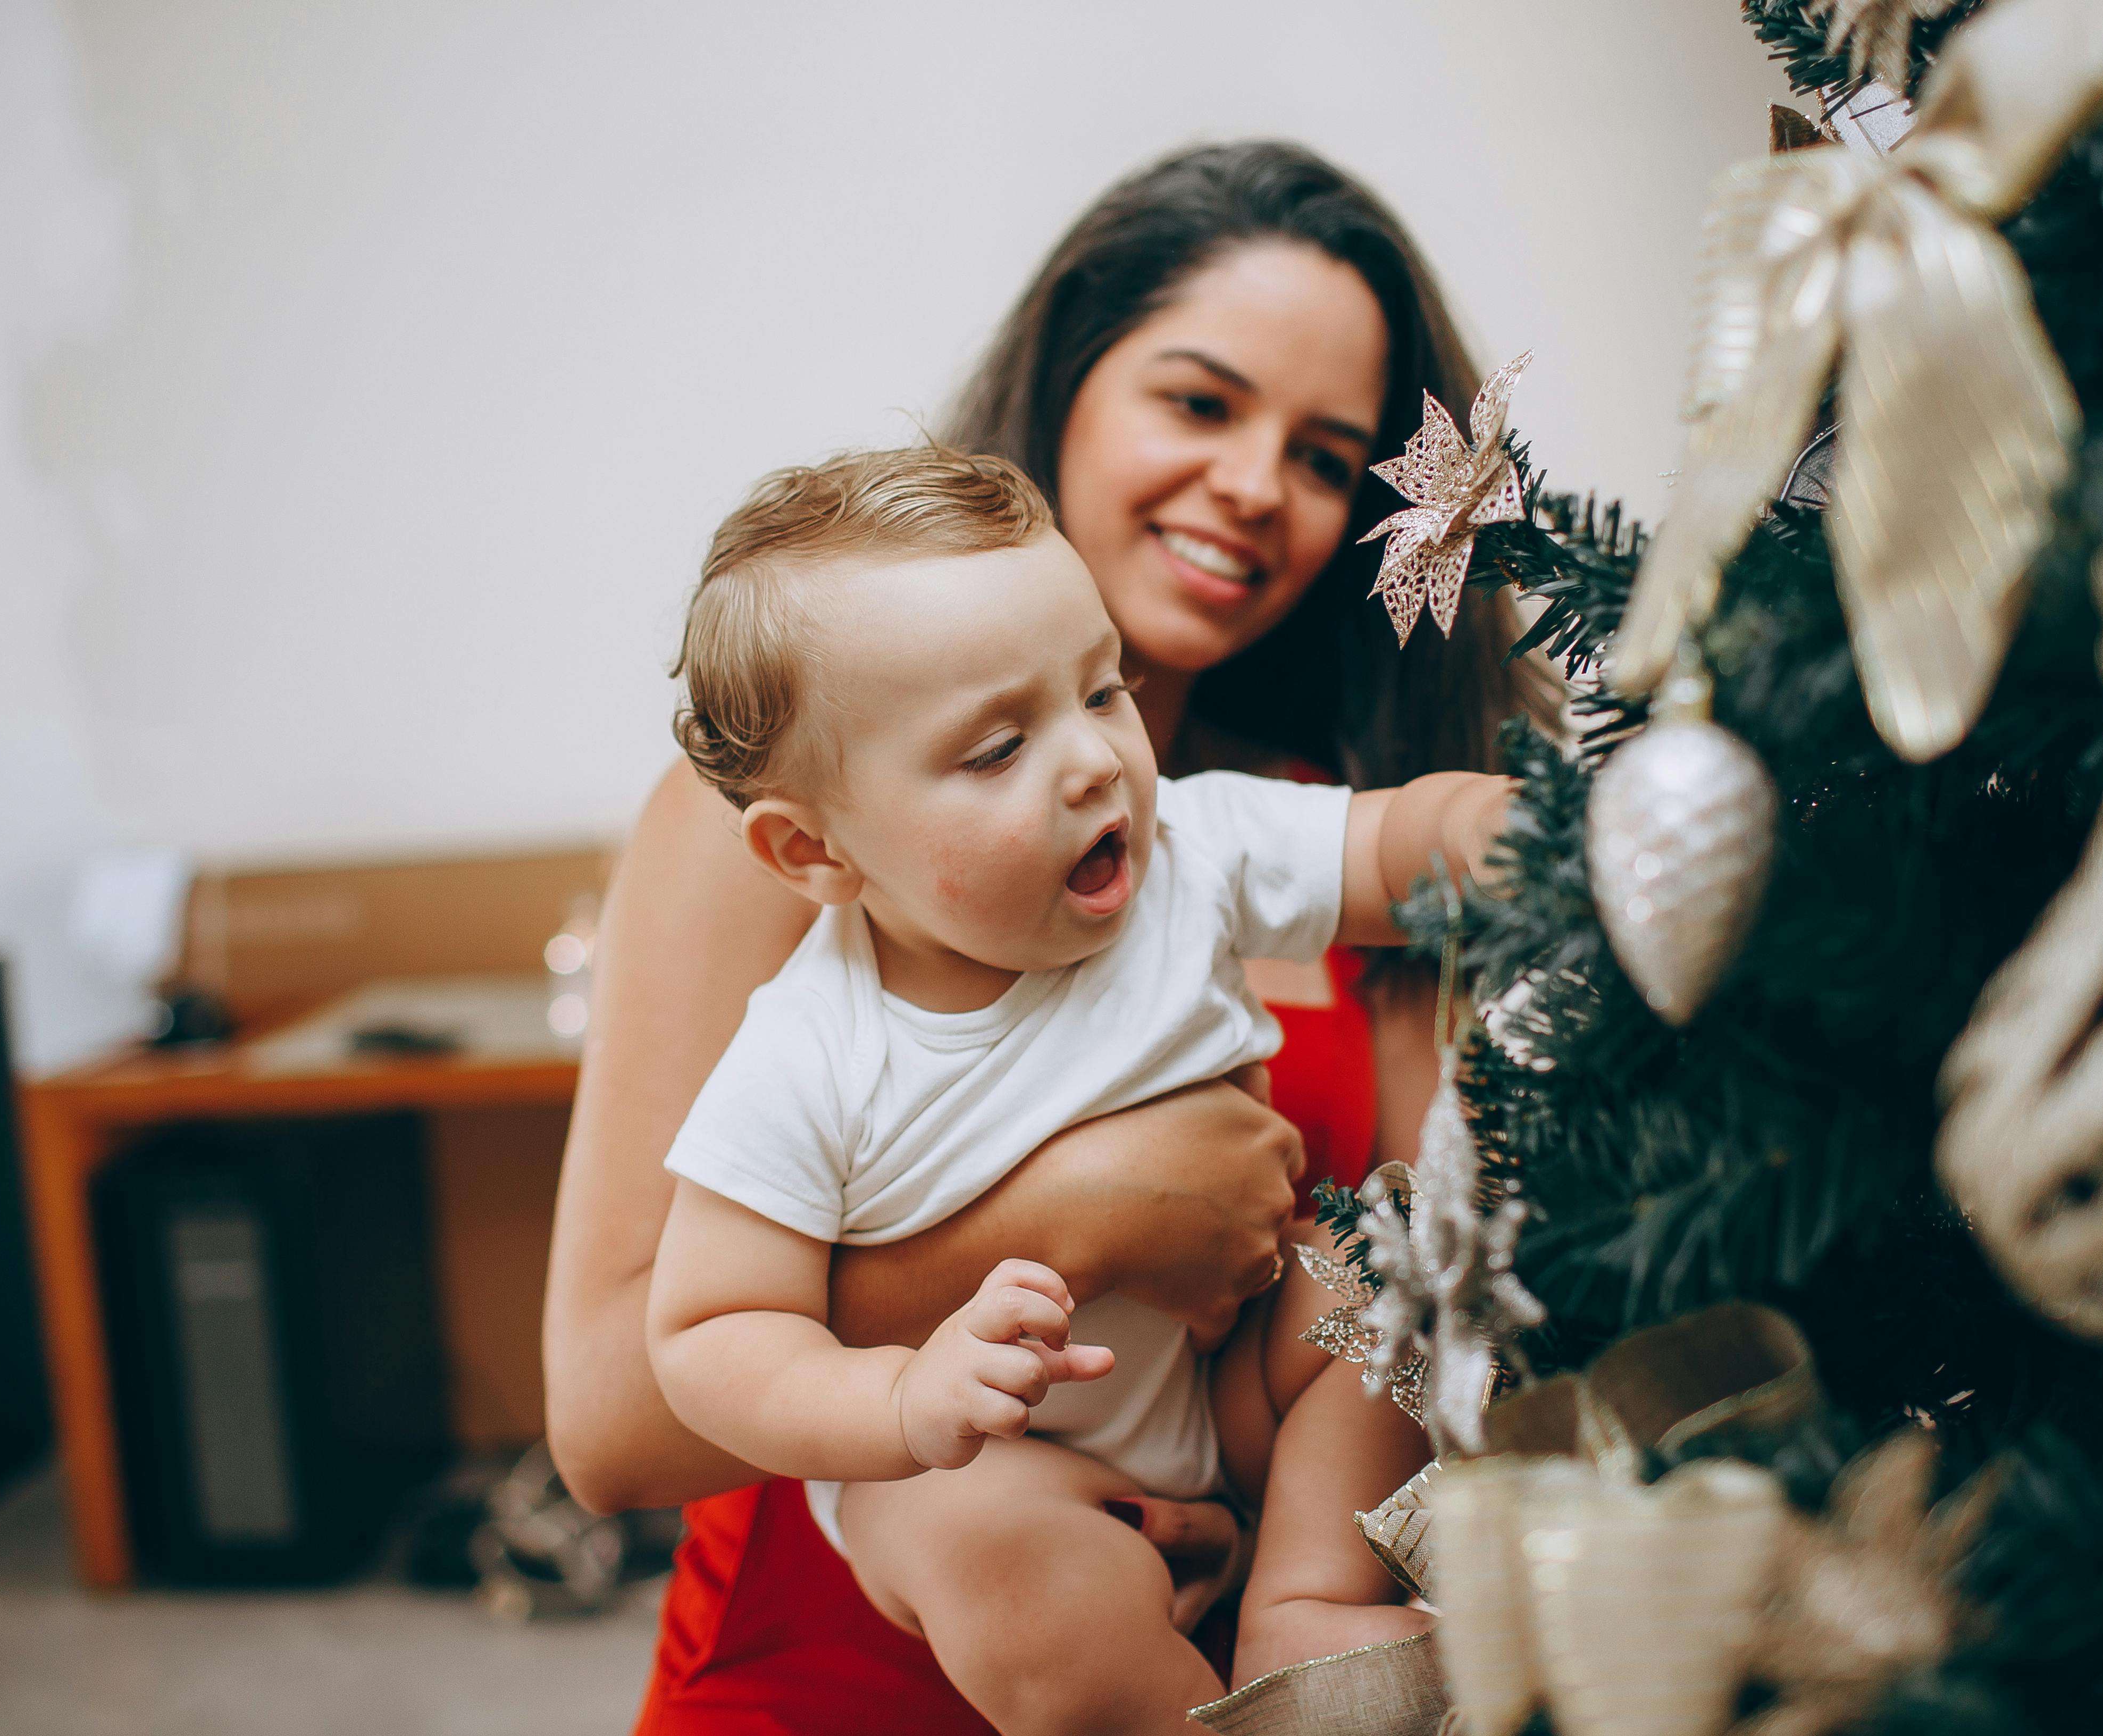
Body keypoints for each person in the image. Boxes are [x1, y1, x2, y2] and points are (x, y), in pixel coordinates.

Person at [542, 139, 1549, 1733]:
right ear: (1070, 381)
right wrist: (1077, 1213)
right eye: (1203, 403)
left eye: (1322, 454)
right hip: (856, 1656)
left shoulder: (1257, 828)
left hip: (1229, 1649)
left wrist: (1274, 1515)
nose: (1253, 485)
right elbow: (610, 1420)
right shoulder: (816, 841)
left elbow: (1441, 1286)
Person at [644, 447, 1512, 1734]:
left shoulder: (1192, 853)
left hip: (1219, 1386)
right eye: (998, 747)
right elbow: (706, 1333)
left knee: (1385, 1269)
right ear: (814, 848)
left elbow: (1390, 841)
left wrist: (1505, 830)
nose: (1096, 762)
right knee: (1013, 1573)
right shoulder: (811, 1052)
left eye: (1103, 690)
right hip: (977, 1465)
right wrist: (896, 1400)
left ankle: (1306, 1600)